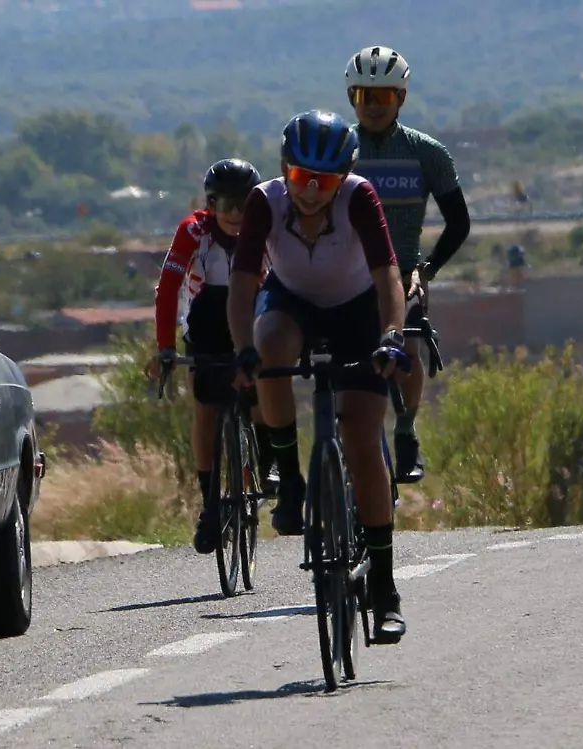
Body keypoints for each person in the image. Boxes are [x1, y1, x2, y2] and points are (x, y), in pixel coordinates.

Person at [226, 110, 411, 643]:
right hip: (294, 304)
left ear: (342, 178)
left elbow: (387, 276)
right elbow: (242, 285)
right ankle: (290, 481)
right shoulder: (265, 201)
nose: (310, 192)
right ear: (285, 170)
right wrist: (242, 349)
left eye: (323, 181)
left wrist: (392, 335)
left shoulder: (360, 198)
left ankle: (385, 585)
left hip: (357, 312)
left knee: (360, 440)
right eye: (301, 178)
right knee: (270, 347)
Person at [345, 45, 471, 483]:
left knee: (409, 343)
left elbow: (459, 221)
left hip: (402, 272)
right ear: (352, 99)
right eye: (365, 97)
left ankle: (405, 431)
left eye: (384, 97)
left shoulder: (426, 153)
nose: (374, 106)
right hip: (345, 274)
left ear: (401, 98)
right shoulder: (340, 149)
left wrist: (427, 270)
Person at [151, 157, 276, 555]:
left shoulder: (265, 230)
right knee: (205, 408)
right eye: (227, 206)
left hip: (249, 313)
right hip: (205, 320)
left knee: (261, 393)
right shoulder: (193, 231)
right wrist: (165, 347)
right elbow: (168, 288)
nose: (237, 215)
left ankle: (269, 461)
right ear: (211, 206)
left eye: (245, 205)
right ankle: (209, 506)